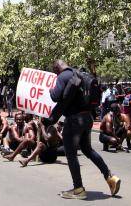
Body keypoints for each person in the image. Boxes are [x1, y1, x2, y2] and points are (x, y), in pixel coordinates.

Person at [49, 60, 120, 199]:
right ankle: (110, 177)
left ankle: (78, 189)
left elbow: (55, 96)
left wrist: (51, 90)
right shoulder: (79, 74)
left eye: (55, 72)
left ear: (57, 68)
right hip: (87, 117)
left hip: (74, 120)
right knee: (88, 150)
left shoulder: (63, 76)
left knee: (71, 154)